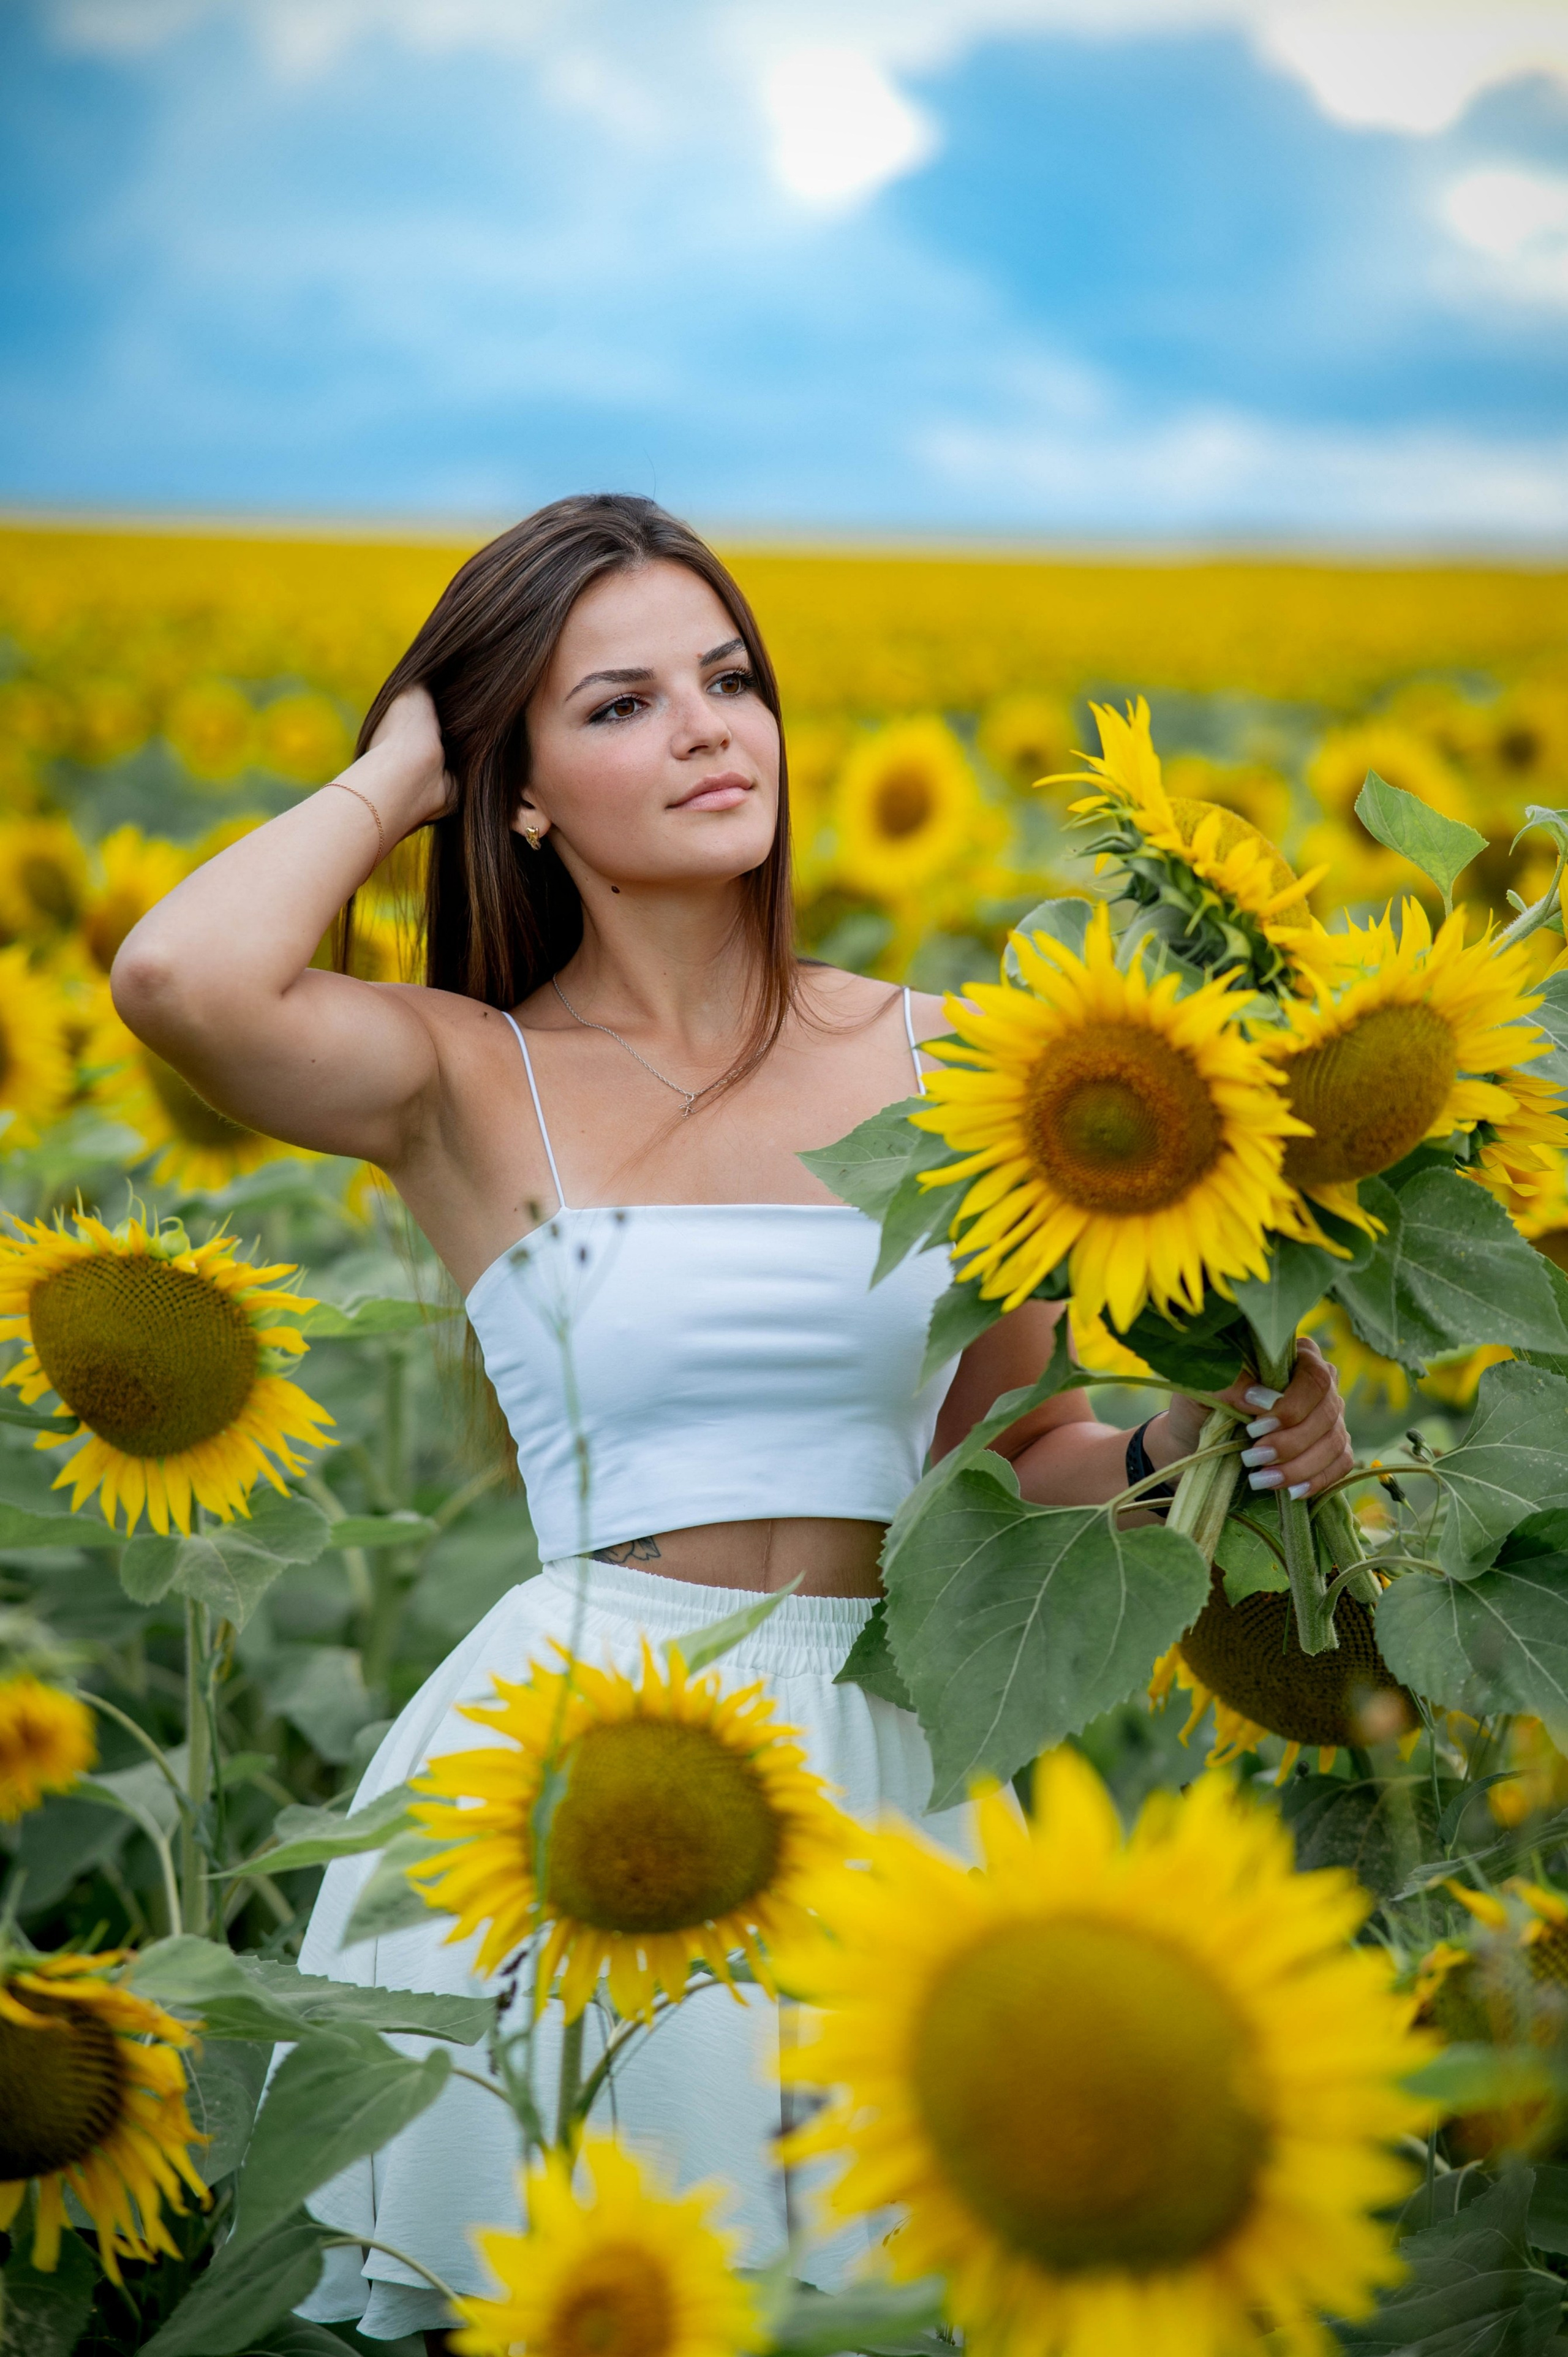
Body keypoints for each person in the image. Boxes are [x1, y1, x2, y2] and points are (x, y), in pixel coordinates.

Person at [111, 494, 1352, 2346]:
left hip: (887, 1745)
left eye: (729, 679)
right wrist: (397, 769)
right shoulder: (470, 1072)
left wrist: (1213, 1447)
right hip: (582, 1765)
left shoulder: (955, 1055)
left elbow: (1002, 1472)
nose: (707, 727)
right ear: (515, 787)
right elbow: (177, 980)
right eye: (617, 705)